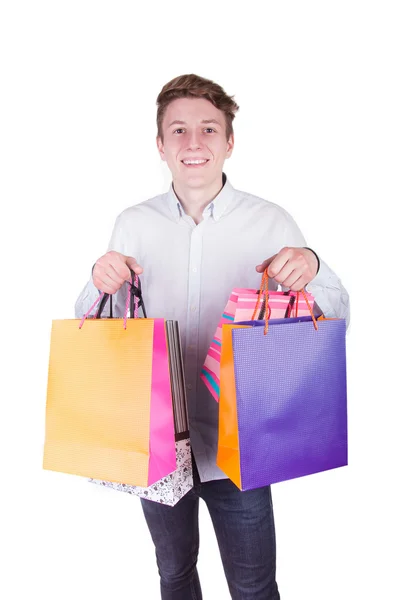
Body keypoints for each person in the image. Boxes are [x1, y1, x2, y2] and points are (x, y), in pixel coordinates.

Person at [75, 73, 350, 600]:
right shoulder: (132, 224)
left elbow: (335, 315)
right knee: (174, 576)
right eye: (178, 130)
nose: (193, 142)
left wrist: (312, 265)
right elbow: (98, 325)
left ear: (229, 141)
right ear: (160, 144)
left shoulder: (271, 221)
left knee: (253, 586)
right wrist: (98, 280)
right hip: (157, 444)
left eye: (208, 129)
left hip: (242, 447)